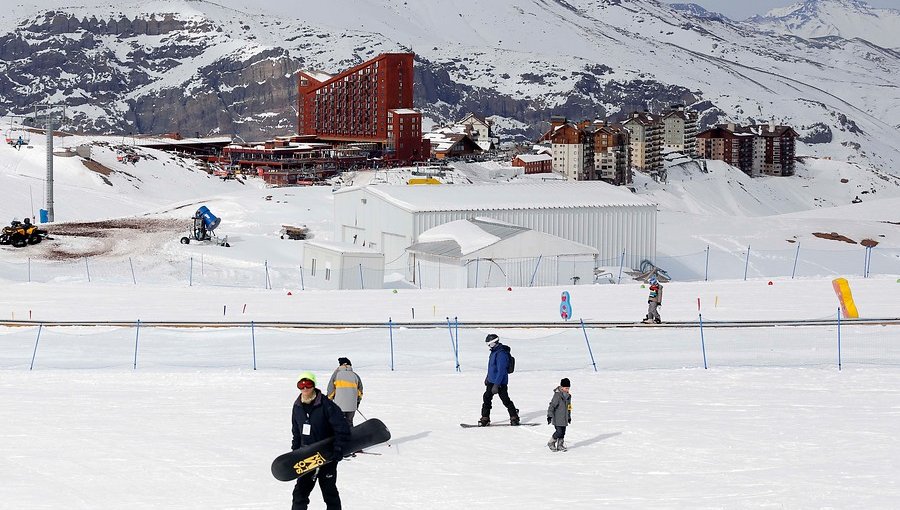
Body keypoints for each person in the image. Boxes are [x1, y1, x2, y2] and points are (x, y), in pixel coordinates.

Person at [290, 371, 351, 510]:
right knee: (300, 493)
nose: (305, 388)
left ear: (314, 385)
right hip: (307, 456)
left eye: (308, 384)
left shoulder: (327, 405)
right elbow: (296, 432)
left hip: (327, 455)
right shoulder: (297, 406)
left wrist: (338, 449)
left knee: (329, 492)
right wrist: (295, 453)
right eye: (301, 385)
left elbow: (342, 428)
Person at [479, 333, 519, 426]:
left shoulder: (502, 354)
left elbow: (501, 371)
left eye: (491, 344)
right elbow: (491, 367)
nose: (489, 346)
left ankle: (514, 417)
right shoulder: (493, 352)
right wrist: (487, 377)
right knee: (486, 398)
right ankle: (485, 417)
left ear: (496, 343)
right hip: (491, 381)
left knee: (505, 400)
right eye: (488, 344)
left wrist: (496, 384)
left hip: (500, 382)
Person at [326, 357, 363, 426]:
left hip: (339, 405)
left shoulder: (336, 375)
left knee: (339, 423)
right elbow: (360, 392)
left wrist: (329, 400)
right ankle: (351, 435)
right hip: (352, 405)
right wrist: (357, 402)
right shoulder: (355, 375)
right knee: (349, 422)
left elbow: (331, 390)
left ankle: (340, 436)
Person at [547, 378, 572, 452]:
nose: (567, 389)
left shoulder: (568, 396)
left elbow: (569, 407)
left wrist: (569, 417)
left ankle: (560, 445)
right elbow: (552, 406)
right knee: (559, 432)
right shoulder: (557, 396)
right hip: (557, 418)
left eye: (568, 388)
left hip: (564, 418)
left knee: (563, 433)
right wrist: (549, 416)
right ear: (561, 387)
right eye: (566, 388)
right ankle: (551, 442)